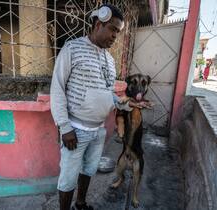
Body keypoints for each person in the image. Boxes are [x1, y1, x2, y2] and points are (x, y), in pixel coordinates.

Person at [50, 4, 145, 210]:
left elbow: (105, 93)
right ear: (98, 23)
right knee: (68, 177)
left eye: (118, 32)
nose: (114, 36)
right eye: (112, 29)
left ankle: (81, 204)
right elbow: (56, 89)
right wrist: (64, 127)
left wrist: (127, 104)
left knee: (90, 169)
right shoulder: (72, 48)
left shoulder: (109, 60)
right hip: (75, 130)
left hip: (98, 130)